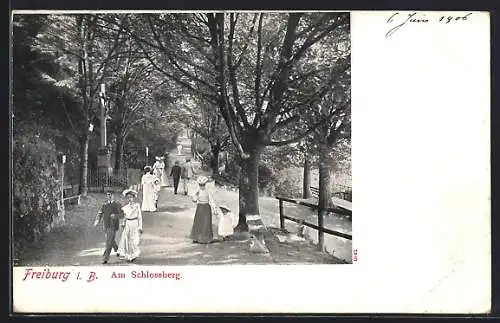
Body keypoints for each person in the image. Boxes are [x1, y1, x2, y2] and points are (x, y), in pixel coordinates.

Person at [94, 190, 124, 264]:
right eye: (108, 195)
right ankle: (118, 250)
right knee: (111, 240)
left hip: (113, 226)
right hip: (106, 225)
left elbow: (122, 215)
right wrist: (97, 220)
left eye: (111, 194)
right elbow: (100, 213)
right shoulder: (104, 205)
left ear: (113, 195)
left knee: (109, 241)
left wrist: (115, 216)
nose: (109, 196)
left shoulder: (117, 204)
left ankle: (105, 258)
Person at [117, 189, 143, 263]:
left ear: (133, 197)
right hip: (128, 223)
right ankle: (129, 255)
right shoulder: (125, 208)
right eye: (128, 198)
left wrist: (140, 227)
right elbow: (124, 217)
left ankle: (134, 253)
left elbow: (139, 217)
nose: (130, 199)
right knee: (127, 239)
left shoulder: (137, 206)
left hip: (135, 223)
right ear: (127, 199)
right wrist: (123, 223)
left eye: (131, 197)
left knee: (134, 239)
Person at [190, 176, 217, 244]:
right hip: (200, 207)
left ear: (205, 185)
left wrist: (214, 208)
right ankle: (197, 237)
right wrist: (194, 197)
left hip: (206, 207)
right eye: (200, 185)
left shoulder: (208, 191)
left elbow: (211, 200)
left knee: (206, 223)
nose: (201, 186)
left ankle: (205, 238)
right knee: (198, 222)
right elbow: (194, 199)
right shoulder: (198, 191)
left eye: (203, 185)